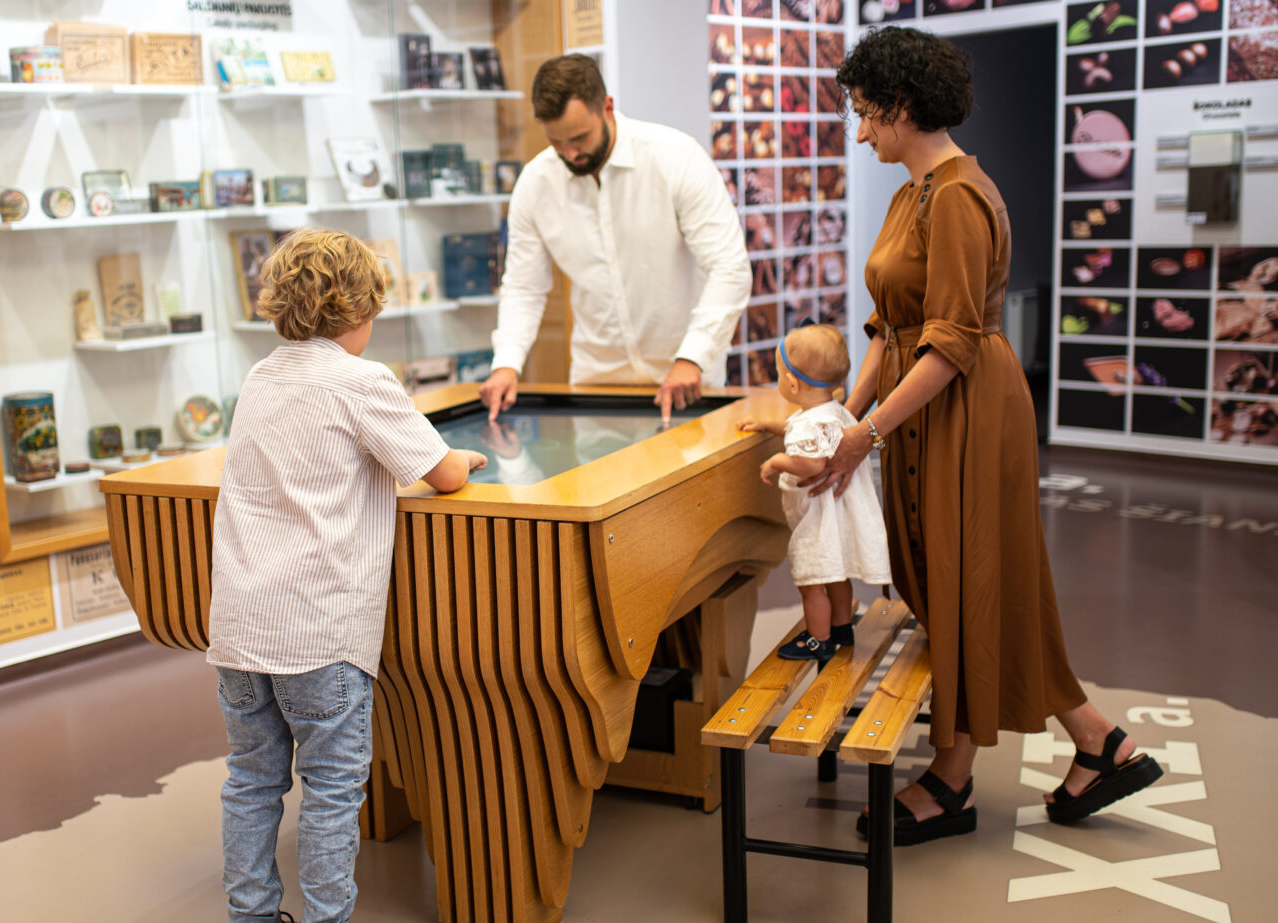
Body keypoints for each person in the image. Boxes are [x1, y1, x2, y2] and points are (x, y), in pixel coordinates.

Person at [809, 28, 1163, 845]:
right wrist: (845, 417)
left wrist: (865, 432)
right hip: (925, 406)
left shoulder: (960, 197)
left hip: (967, 407)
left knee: (967, 577)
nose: (860, 133)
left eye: (864, 113)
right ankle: (1095, 743)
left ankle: (954, 778)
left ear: (900, 106)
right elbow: (889, 327)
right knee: (957, 577)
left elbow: (951, 343)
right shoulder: (912, 193)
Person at [205, 228, 486, 923]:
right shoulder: (362, 380)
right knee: (331, 789)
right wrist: (467, 461)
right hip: (320, 630)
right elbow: (441, 474)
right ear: (359, 308)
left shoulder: (260, 377)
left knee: (251, 780)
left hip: (240, 628)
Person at [479, 54, 750, 423]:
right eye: (556, 142)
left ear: (607, 107)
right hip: (596, 389)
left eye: (580, 137)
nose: (571, 153)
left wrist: (693, 357)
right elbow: (524, 287)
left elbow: (730, 268)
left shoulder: (676, 157)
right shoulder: (535, 183)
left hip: (687, 380)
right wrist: (506, 363)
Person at [738, 323, 891, 664]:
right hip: (834, 515)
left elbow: (811, 463)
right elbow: (797, 430)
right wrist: (767, 424)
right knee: (835, 575)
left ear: (792, 384)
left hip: (817, 520)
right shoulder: (832, 411)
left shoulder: (809, 424)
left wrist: (777, 461)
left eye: (778, 374)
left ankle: (817, 640)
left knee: (812, 583)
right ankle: (841, 628)